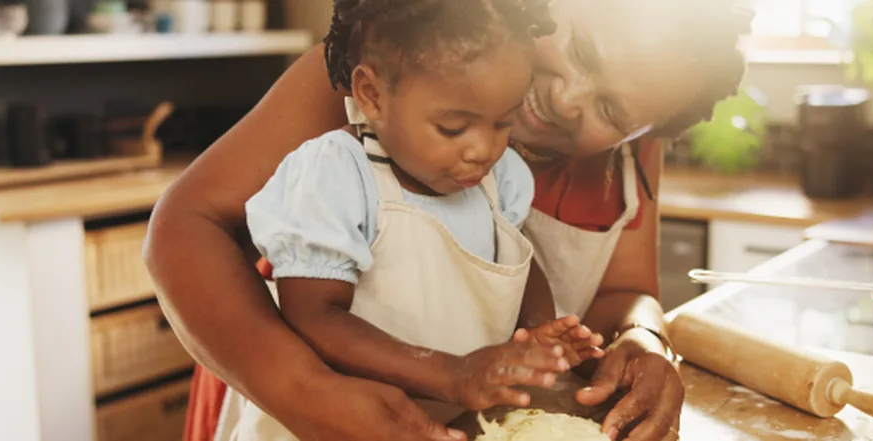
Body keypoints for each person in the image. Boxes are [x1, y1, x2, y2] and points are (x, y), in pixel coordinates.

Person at [143, 1, 754, 440]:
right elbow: (185, 224)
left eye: (613, 109)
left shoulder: (627, 149)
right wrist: (305, 393)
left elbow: (625, 292)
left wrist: (645, 341)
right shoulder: (395, 71)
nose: (568, 97)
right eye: (580, 49)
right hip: (285, 389)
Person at [229, 1, 611, 438]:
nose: (482, 149)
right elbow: (314, 316)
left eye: (503, 122)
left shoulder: (499, 180)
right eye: (453, 127)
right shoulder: (335, 176)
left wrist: (535, 336)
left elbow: (516, 266)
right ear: (373, 96)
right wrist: (451, 373)